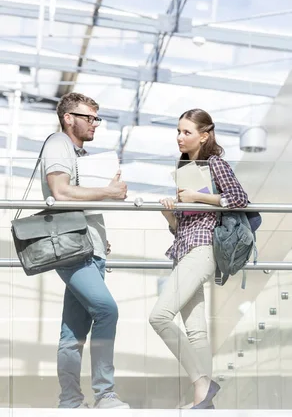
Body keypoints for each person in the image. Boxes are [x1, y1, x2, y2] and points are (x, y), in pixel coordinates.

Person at [149, 108, 248, 409]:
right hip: (183, 250)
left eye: (187, 132)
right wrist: (170, 209)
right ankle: (203, 401)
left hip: (204, 249)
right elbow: (182, 227)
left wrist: (196, 197)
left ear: (204, 135)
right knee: (195, 330)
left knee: (159, 316)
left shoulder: (214, 163)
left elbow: (239, 198)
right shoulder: (184, 168)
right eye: (178, 132)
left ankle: (202, 382)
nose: (180, 137)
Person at [40, 92, 130, 410]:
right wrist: (108, 191)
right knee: (107, 310)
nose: (94, 123)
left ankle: (70, 401)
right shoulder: (58, 143)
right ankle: (104, 393)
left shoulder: (81, 153)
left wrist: (97, 236)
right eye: (88, 117)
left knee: (73, 331)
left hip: (88, 247)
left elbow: (77, 198)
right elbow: (60, 191)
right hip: (71, 248)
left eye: (96, 118)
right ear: (68, 118)